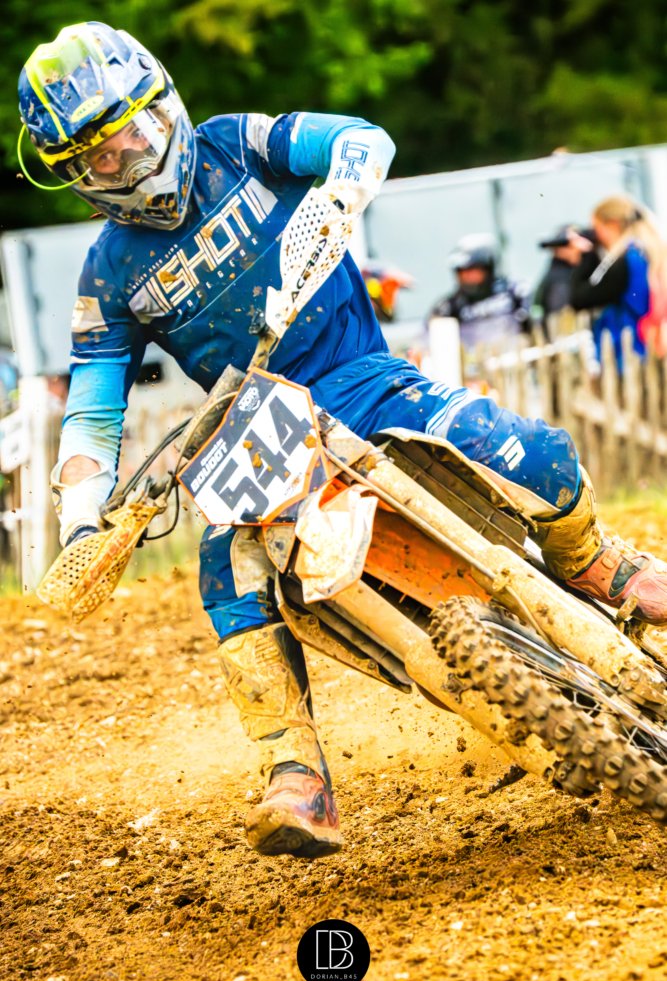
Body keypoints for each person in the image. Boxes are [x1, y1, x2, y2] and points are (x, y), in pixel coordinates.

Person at [19, 22, 667, 859]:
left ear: (163, 106)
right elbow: (93, 405)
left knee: (524, 448)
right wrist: (82, 518)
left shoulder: (239, 144)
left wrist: (335, 198)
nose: (127, 164)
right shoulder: (108, 272)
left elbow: (362, 138)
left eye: (133, 136)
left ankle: (594, 561)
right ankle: (293, 768)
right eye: (99, 160)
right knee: (226, 572)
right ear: (75, 175)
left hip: (359, 374)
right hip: (252, 427)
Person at [569, 195, 667, 366]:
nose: (596, 236)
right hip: (651, 348)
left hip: (631, 354)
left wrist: (587, 255)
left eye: (596, 229)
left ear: (613, 225)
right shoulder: (649, 254)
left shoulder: (626, 261)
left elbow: (579, 298)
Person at [429, 233, 531, 350]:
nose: (466, 277)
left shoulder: (515, 292)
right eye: (461, 272)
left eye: (472, 270)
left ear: (488, 268)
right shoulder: (449, 307)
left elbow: (534, 325)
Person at [533, 224, 592, 332]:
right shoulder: (560, 278)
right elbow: (563, 314)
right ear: (560, 250)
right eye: (571, 246)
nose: (578, 250)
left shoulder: (563, 272)